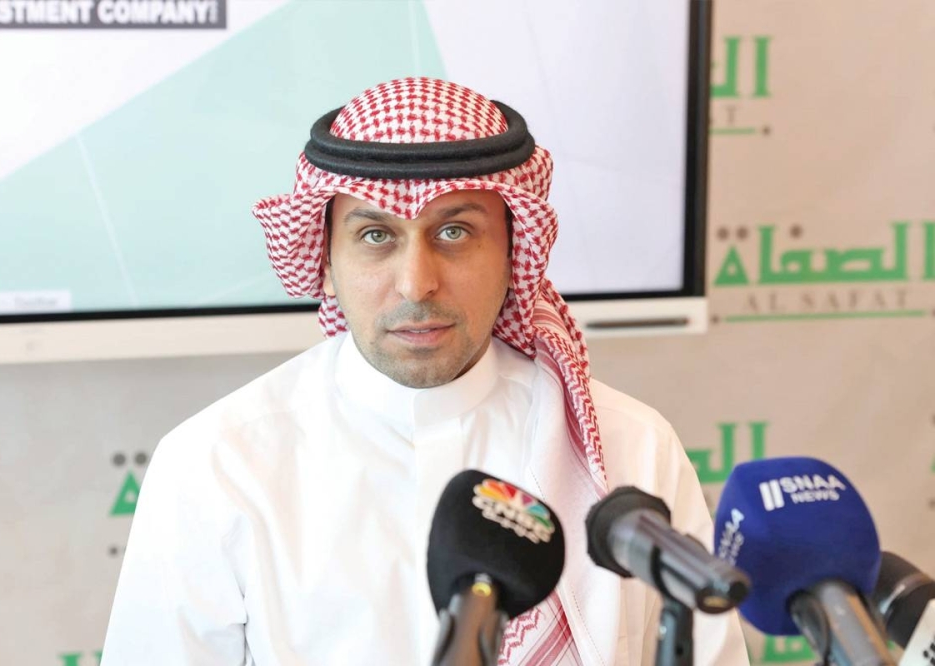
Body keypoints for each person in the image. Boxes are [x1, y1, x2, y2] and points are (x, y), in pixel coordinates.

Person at [102, 77, 749, 665]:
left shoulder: (633, 450)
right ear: (326, 259)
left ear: (514, 251)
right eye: (375, 236)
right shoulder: (217, 464)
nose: (417, 283)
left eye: (455, 232)